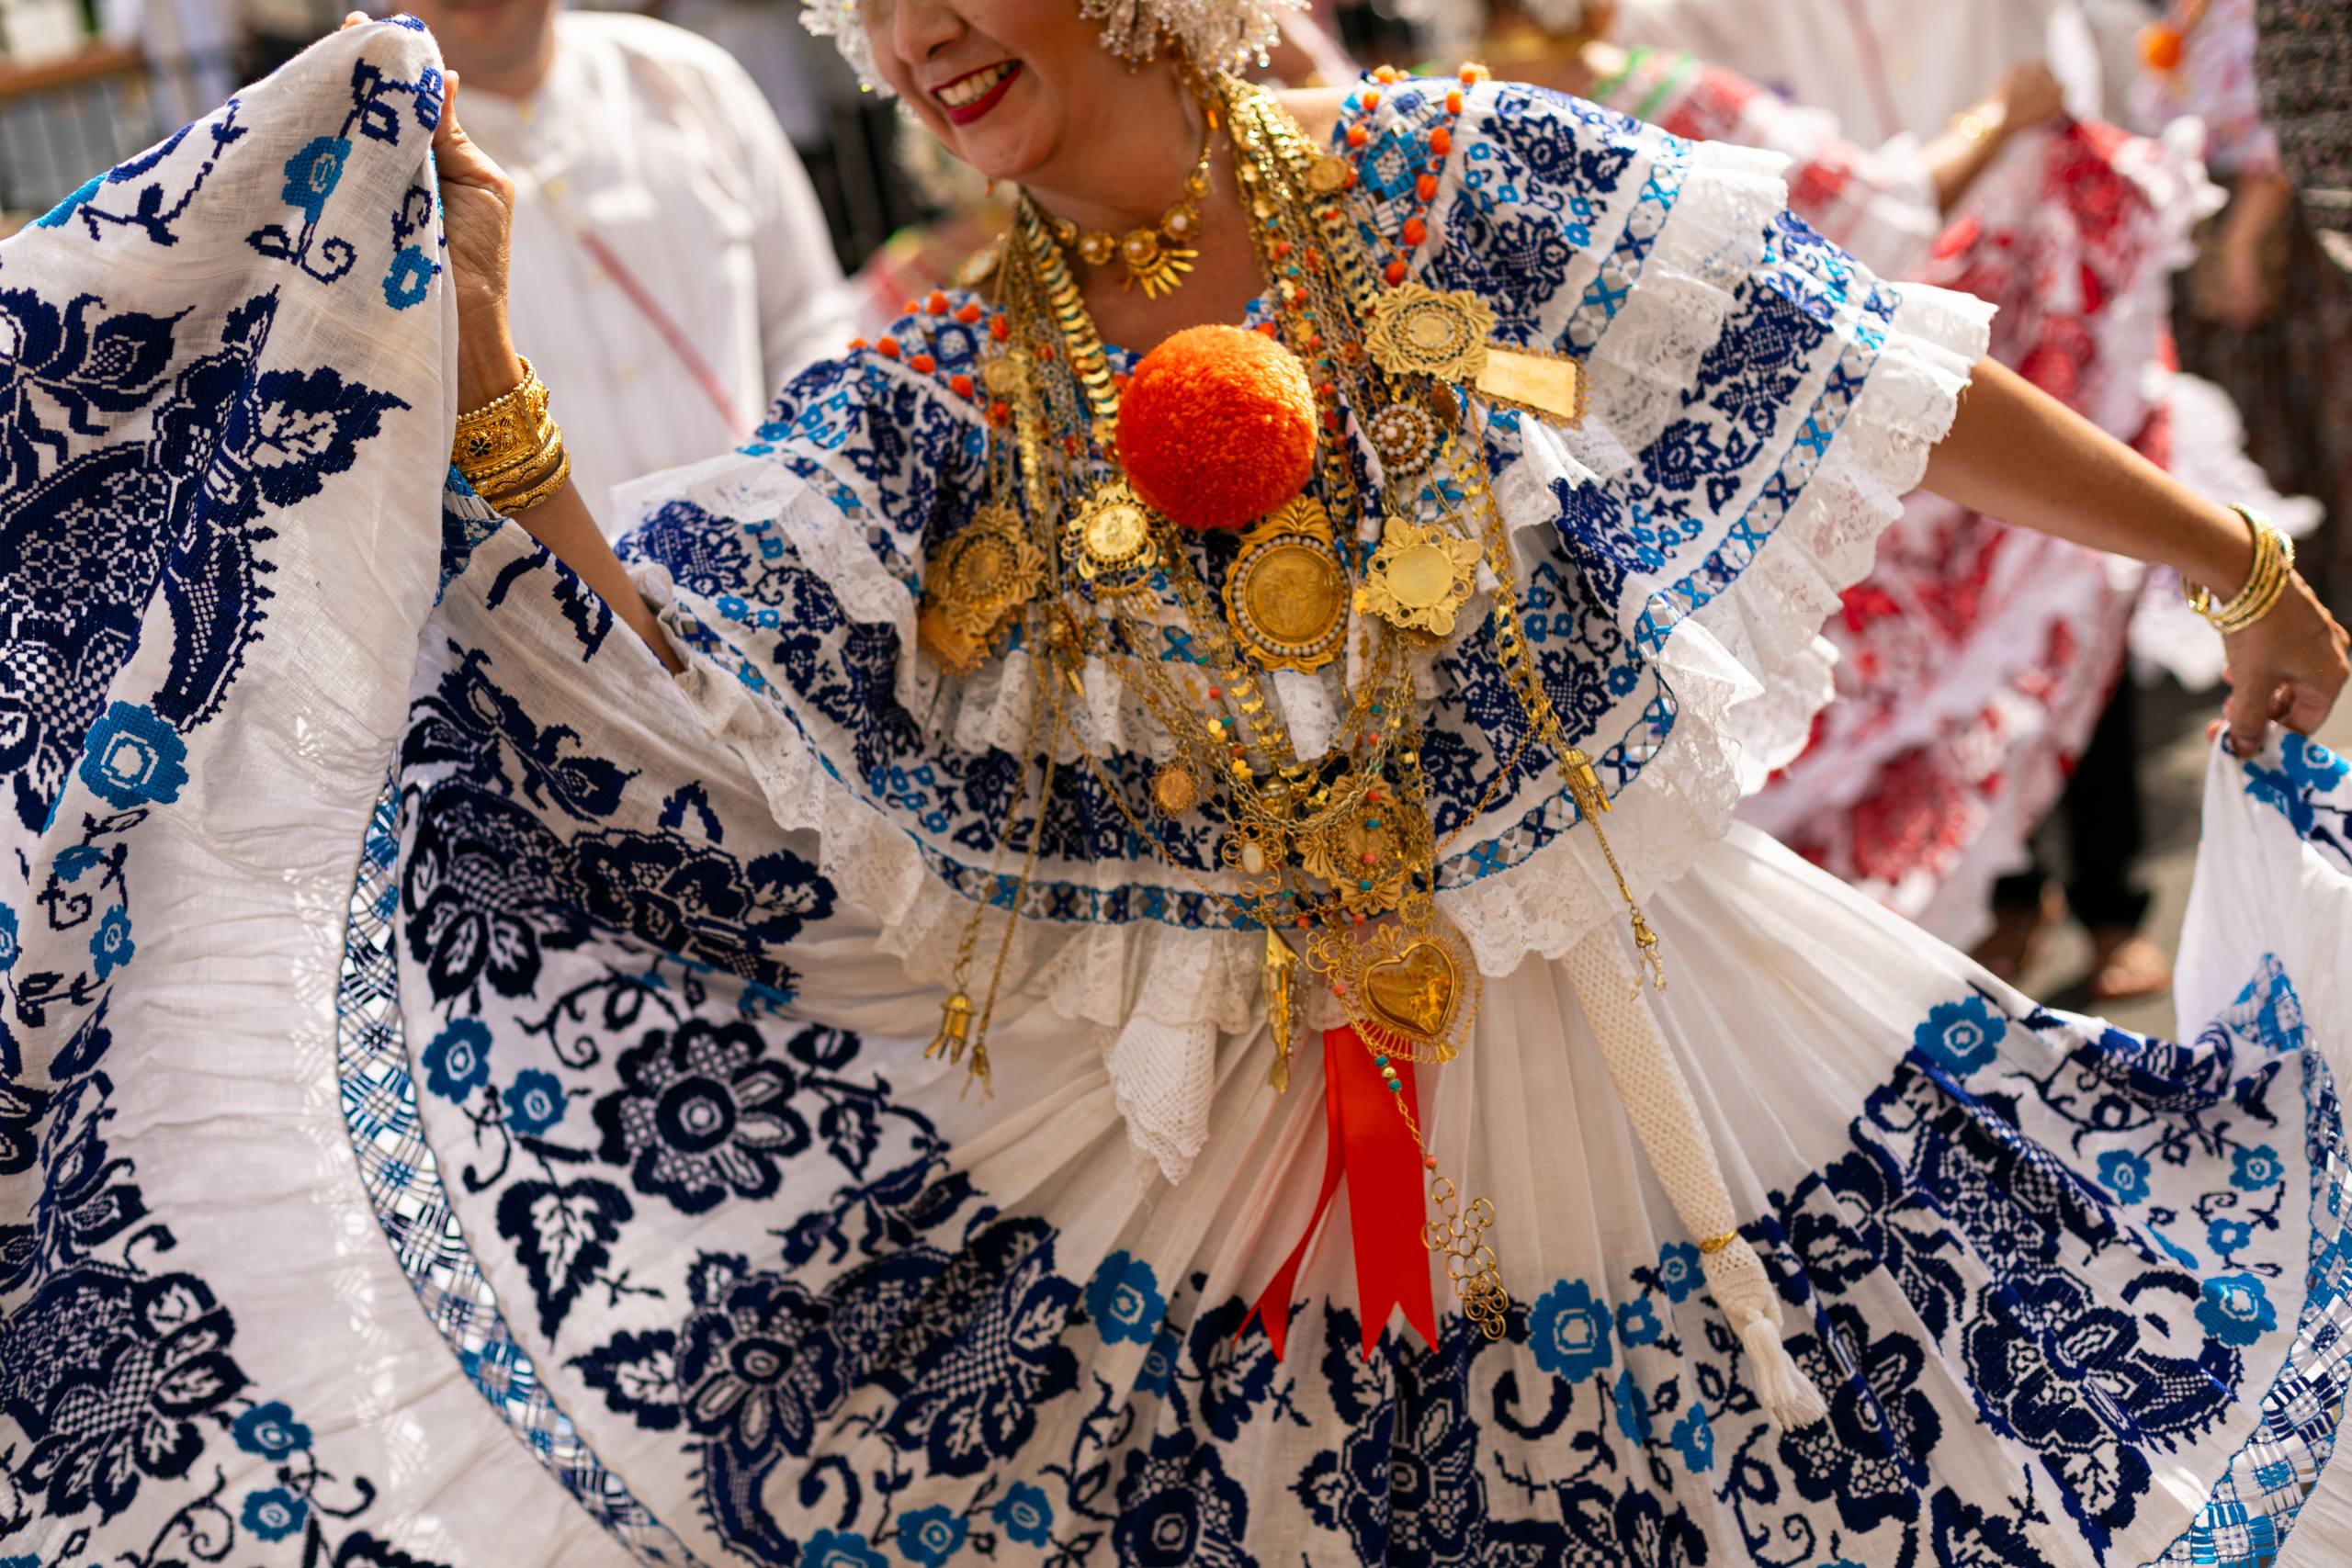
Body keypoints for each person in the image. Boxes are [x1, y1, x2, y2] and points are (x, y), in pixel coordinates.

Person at [5, 8, 2350, 1568]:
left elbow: (1855, 376)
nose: (912, 30)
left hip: (1660, 1063)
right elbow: (678, 684)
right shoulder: (935, 378)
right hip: (1194, 1173)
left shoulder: (1439, 177)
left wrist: (2237, 560)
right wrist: (487, 387)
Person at [399, 0, 857, 535]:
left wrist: (796, 492)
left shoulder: (692, 80)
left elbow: (808, 321)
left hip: (772, 555)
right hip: (550, 606)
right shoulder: (370, 164)